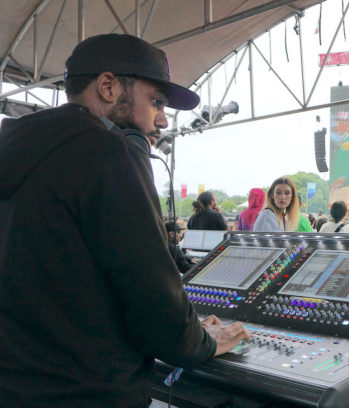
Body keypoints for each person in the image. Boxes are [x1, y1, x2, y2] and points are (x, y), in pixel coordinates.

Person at [0, 34, 249, 406]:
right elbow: (150, 293)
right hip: (90, 393)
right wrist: (200, 340)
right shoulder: (109, 152)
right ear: (108, 86)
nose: (163, 120)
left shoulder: (14, 148)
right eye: (156, 102)